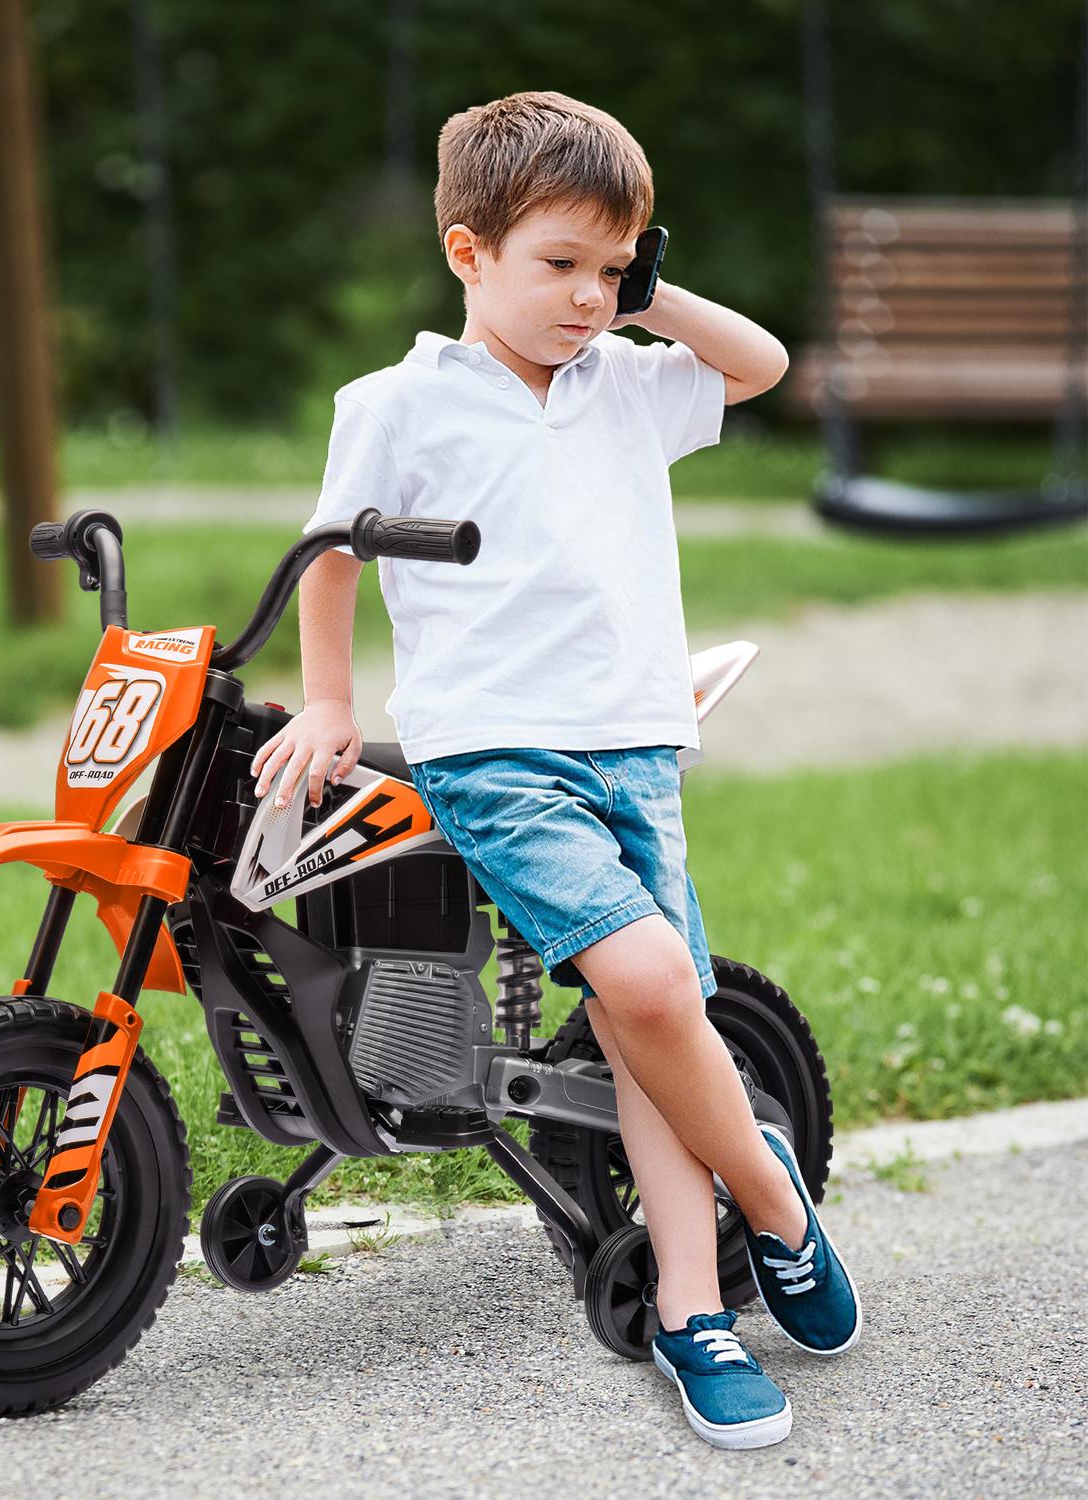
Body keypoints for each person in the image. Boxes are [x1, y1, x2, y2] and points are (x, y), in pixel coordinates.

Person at [249, 90, 860, 1450]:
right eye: (559, 267)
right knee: (648, 984)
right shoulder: (398, 401)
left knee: (654, 1036)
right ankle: (773, 1204)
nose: (589, 299)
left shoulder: (628, 385)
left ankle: (696, 1315)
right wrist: (336, 698)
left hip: (637, 740)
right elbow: (334, 552)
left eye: (612, 269)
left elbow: (759, 363)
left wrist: (653, 298)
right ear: (469, 254)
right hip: (495, 751)